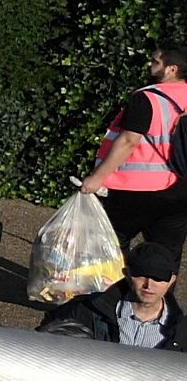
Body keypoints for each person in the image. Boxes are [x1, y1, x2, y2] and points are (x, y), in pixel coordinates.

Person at [72, 46, 187, 264]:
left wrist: (96, 178)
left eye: (155, 62)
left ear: (172, 69)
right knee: (166, 254)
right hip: (181, 189)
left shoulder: (148, 98)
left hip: (137, 189)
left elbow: (128, 141)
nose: (149, 64)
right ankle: (159, 297)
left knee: (111, 246)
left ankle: (111, 295)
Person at [40, 237, 180, 348]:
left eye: (158, 278)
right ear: (127, 274)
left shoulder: (182, 329)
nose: (148, 285)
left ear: (172, 281)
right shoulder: (87, 310)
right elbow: (42, 339)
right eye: (141, 275)